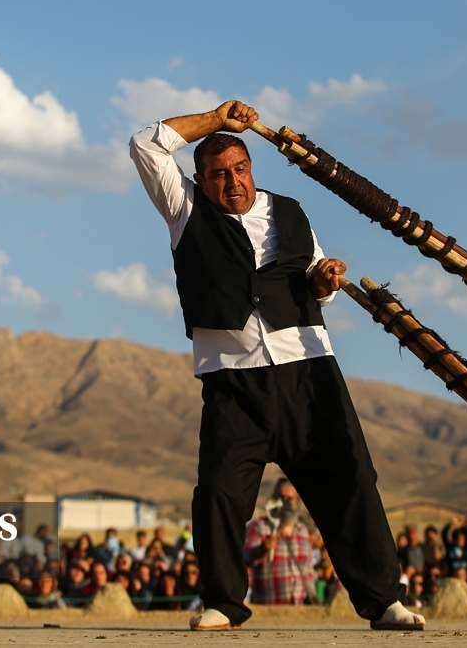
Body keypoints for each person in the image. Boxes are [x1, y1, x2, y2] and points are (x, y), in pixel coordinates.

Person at [129, 100, 423, 632]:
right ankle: (224, 603)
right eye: (219, 174)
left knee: (352, 480)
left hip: (309, 371)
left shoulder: (289, 212)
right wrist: (218, 118)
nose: (233, 182)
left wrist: (324, 281)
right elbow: (145, 143)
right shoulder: (184, 209)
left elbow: (312, 281)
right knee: (219, 491)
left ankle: (384, 601)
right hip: (232, 379)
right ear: (199, 179)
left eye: (240, 169)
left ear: (251, 170)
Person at [243, 479, 316, 606]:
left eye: (289, 499)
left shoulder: (302, 531)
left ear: (297, 502)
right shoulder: (260, 527)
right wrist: (262, 549)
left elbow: (309, 570)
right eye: (281, 498)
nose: (285, 503)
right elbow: (245, 557)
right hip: (268, 610)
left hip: (301, 612)